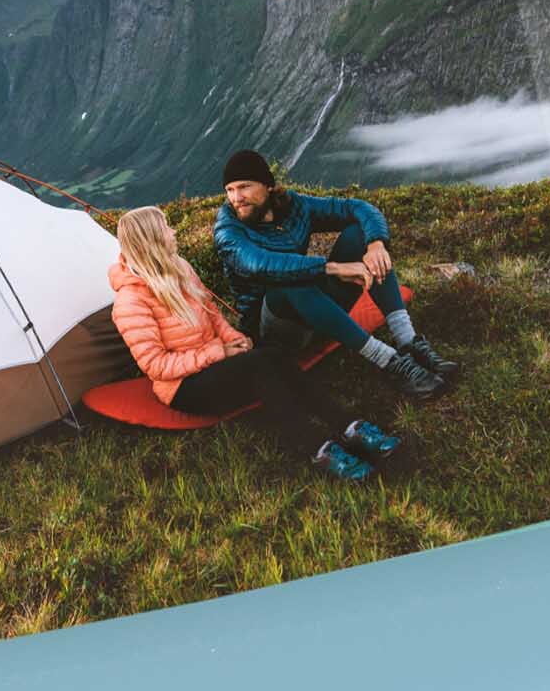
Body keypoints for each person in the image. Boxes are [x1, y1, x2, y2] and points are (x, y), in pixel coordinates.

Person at [110, 205, 400, 484]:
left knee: (273, 359)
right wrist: (217, 352)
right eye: (165, 228)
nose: (173, 232)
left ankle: (351, 428)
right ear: (150, 241)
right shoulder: (130, 301)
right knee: (261, 369)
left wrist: (233, 339)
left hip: (214, 363)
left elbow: (211, 313)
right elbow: (155, 365)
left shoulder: (180, 268)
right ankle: (319, 448)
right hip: (184, 388)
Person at [212, 149, 454, 402]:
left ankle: (409, 342)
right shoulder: (228, 231)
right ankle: (391, 363)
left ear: (268, 185)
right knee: (289, 282)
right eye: (230, 190)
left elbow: (357, 207)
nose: (236, 198)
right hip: (275, 331)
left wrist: (376, 244)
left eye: (244, 187)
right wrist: (333, 268)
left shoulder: (294, 207)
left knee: (358, 235)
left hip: (316, 311)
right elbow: (261, 264)